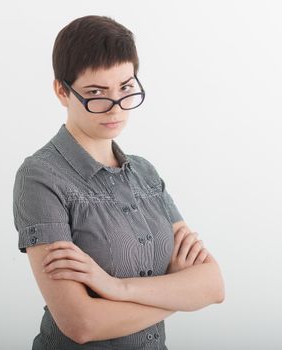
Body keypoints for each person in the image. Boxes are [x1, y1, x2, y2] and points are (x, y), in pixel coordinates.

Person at [12, 15, 225, 349]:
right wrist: (179, 292)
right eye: (96, 92)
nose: (115, 109)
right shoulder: (40, 177)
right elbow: (81, 324)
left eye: (125, 88)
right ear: (61, 91)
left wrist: (115, 288)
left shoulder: (145, 174)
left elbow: (213, 285)